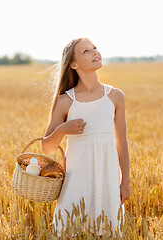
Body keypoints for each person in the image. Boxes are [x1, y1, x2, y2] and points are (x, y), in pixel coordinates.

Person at [41, 37, 131, 238]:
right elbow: (46, 147)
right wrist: (63, 129)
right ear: (73, 64)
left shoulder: (115, 97)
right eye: (86, 52)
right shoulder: (65, 101)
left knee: (108, 233)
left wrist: (125, 181)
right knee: (68, 232)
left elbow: (121, 143)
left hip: (107, 180)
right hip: (76, 181)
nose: (95, 52)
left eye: (95, 48)